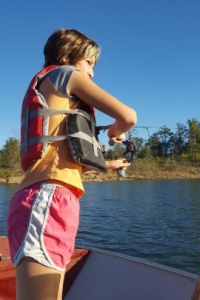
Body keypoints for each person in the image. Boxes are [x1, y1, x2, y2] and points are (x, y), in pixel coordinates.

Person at [7, 28, 137, 300]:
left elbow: (66, 162)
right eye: (89, 62)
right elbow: (128, 115)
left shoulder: (54, 91)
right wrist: (116, 131)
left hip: (49, 198)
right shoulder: (63, 74)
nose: (91, 72)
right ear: (67, 54)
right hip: (46, 199)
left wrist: (109, 164)